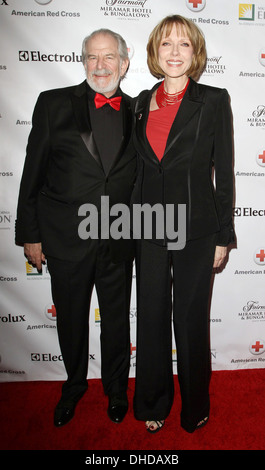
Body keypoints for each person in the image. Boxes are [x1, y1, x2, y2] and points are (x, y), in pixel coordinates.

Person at [15, 29, 136, 427]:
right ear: (83, 61)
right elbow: (32, 174)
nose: (100, 66)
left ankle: (117, 389)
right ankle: (73, 386)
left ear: (124, 61)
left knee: (117, 319)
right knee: (71, 318)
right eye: (91, 57)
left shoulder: (138, 110)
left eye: (108, 57)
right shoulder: (52, 104)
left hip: (119, 237)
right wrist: (30, 233)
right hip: (66, 238)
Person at [131, 15, 235, 433]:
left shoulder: (212, 99)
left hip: (196, 228)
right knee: (151, 316)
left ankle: (194, 406)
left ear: (195, 53)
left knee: (190, 320)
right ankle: (153, 401)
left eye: (184, 45)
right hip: (147, 226)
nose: (174, 52)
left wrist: (223, 234)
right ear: (156, 52)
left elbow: (224, 173)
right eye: (167, 44)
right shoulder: (138, 101)